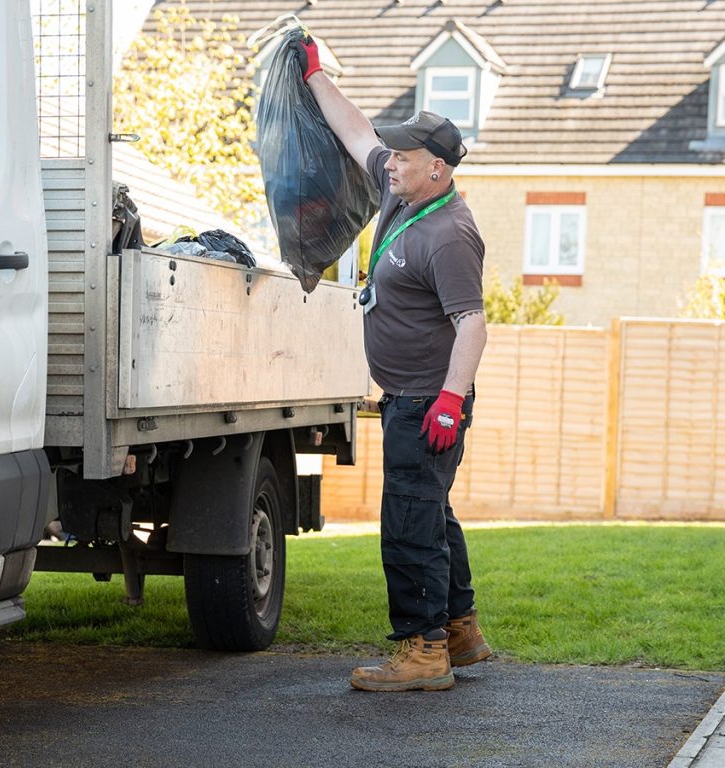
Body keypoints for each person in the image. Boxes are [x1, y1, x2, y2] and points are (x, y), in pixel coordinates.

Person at [291, 35, 491, 692]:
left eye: (404, 156)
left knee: (407, 525)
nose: (392, 162)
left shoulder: (449, 233)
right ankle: (459, 632)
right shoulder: (402, 191)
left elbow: (472, 323)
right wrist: (318, 76)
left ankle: (422, 652)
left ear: (437, 168)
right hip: (409, 399)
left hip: (424, 404)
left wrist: (449, 400)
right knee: (431, 513)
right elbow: (355, 134)